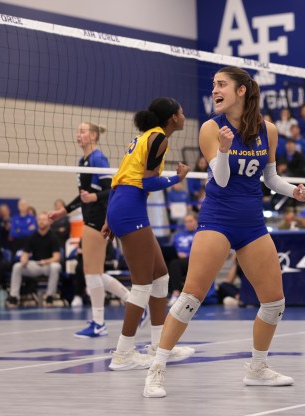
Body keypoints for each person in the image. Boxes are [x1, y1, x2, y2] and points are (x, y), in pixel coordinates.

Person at [141, 67, 305, 398]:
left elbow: (270, 178)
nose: (215, 90)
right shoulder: (210, 128)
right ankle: (156, 370)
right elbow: (219, 180)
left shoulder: (268, 130)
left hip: (252, 224)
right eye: (213, 85)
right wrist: (223, 149)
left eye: (222, 84)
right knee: (190, 298)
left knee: (274, 302)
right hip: (218, 219)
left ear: (241, 91)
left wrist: (295, 191)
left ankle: (257, 369)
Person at [101, 97, 194, 371]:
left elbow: (119, 178)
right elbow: (147, 182)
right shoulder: (158, 139)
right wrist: (178, 178)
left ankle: (160, 345)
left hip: (123, 205)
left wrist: (109, 216)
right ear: (173, 117)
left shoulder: (145, 138)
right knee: (142, 285)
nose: (184, 115)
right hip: (129, 208)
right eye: (181, 111)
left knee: (161, 276)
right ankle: (123, 354)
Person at [48, 121, 128, 338]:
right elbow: (83, 196)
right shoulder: (82, 160)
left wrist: (94, 197)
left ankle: (100, 322)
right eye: (77, 131)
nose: (78, 134)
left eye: (82, 131)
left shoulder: (98, 158)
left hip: (99, 219)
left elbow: (113, 189)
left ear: (93, 135)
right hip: (89, 218)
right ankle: (133, 304)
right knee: (95, 273)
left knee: (91, 273)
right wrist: (63, 211)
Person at [7, 213, 62, 307]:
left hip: (48, 266)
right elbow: (25, 253)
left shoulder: (54, 237)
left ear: (48, 222)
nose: (41, 222)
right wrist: (24, 260)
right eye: (39, 220)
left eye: (43, 220)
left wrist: (46, 261)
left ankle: (49, 297)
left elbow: (57, 257)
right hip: (36, 265)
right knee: (17, 266)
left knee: (56, 267)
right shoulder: (31, 237)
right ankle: (14, 297)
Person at [167, 213, 198, 306]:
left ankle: (176, 293)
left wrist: (187, 254)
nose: (188, 224)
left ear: (196, 221)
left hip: (193, 260)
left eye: (190, 221)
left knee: (174, 264)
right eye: (186, 222)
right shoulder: (178, 235)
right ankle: (165, 293)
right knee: (167, 262)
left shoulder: (199, 234)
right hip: (178, 260)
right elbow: (172, 249)